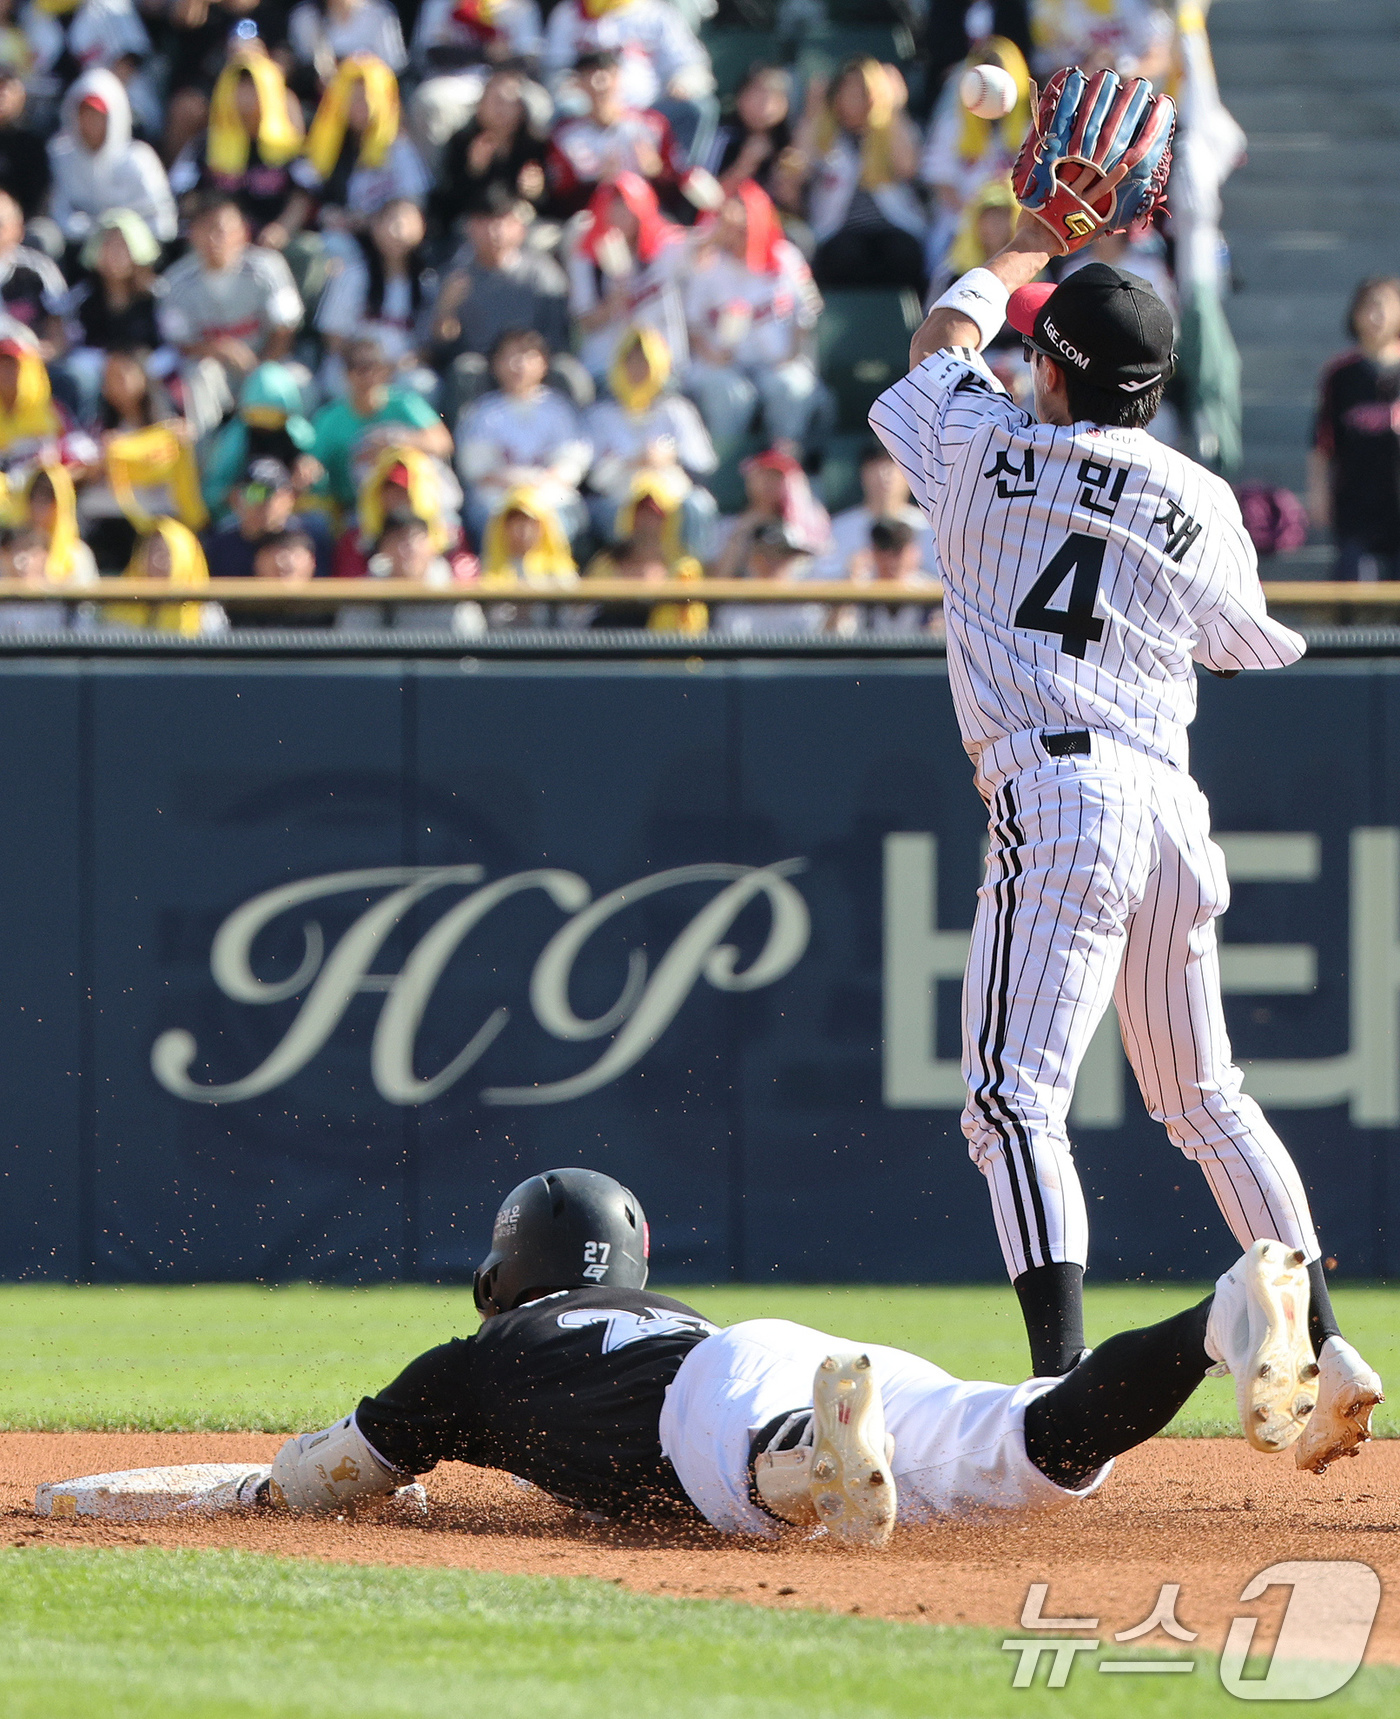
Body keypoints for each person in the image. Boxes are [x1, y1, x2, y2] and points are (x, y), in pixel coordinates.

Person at [869, 182, 1383, 1472]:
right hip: (1166, 803)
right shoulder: (1202, 498)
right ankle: (1325, 1347)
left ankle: (1061, 1404)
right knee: (1205, 1097)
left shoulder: (974, 443)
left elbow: (937, 348)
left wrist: (1019, 250)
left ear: (1046, 367)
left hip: (1055, 791)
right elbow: (1239, 647)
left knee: (1009, 1098)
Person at [252, 1171, 1339, 1541]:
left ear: (507, 1275)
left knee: (750, 1481)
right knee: (1031, 1445)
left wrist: (255, 1492)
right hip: (767, 1349)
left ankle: (813, 1454)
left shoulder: (466, 1368)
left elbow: (325, 1477)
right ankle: (1216, 1319)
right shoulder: (656, 1309)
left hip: (721, 1408)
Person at [682, 181, 825, 450]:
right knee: (726, 394)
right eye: (733, 227)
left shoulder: (785, 257)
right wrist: (711, 355)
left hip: (775, 362)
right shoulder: (708, 262)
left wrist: (792, 352)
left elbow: (808, 309)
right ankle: (725, 466)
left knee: (791, 386)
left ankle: (783, 460)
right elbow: (692, 324)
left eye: (745, 226)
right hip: (724, 364)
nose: (739, 233)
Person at [158, 194, 304, 436]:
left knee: (295, 384)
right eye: (206, 229)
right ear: (192, 234)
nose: (216, 238)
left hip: (268, 361)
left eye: (223, 229)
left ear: (241, 232)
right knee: (199, 376)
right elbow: (180, 343)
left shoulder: (267, 266)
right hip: (217, 370)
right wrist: (218, 348)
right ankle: (208, 467)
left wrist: (257, 371)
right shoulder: (176, 282)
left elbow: (285, 328)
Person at [430, 187, 572, 403]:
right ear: (469, 227)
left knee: (567, 372)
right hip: (483, 367)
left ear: (520, 228)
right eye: (483, 221)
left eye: (502, 220)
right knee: (465, 371)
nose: (493, 230)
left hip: (532, 364)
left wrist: (525, 361)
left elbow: (556, 336)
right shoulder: (455, 277)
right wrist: (446, 309)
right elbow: (439, 348)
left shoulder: (543, 273)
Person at [795, 59, 925, 294]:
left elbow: (908, 168)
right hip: (839, 231)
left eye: (863, 91)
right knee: (845, 254)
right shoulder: (825, 131)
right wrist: (812, 112)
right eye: (847, 90)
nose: (854, 98)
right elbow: (797, 168)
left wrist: (894, 109)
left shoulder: (892, 128)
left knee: (901, 253)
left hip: (893, 226)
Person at [584, 324, 716, 557]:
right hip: (619, 494)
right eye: (630, 361)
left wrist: (671, 456)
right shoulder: (600, 415)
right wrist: (634, 461)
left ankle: (692, 580)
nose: (637, 369)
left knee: (699, 505)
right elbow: (592, 477)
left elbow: (702, 463)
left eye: (644, 362)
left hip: (670, 493)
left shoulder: (677, 410)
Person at [455, 325, 591, 547]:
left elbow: (572, 462)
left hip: (550, 495)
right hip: (498, 498)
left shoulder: (560, 410)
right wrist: (518, 486)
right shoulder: (482, 412)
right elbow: (476, 470)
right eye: (510, 357)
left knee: (563, 517)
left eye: (528, 356)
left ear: (544, 363)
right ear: (495, 364)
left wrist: (537, 484)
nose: (519, 365)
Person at [1309, 276, 1400, 582]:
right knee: (1352, 584)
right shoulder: (1341, 374)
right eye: (1368, 307)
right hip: (1356, 504)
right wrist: (1319, 492)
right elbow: (1322, 441)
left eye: (1384, 306)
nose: (1376, 316)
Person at [172, 44, 308, 246]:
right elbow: (181, 193)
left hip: (271, 242)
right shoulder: (205, 144)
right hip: (216, 243)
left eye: (254, 86)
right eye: (239, 86)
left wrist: (282, 228)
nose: (246, 95)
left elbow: (304, 196)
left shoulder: (290, 146)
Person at [290, 54, 431, 248]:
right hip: (340, 240)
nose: (360, 107)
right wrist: (329, 215)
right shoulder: (329, 146)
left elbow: (414, 203)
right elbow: (309, 192)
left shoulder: (398, 146)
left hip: (385, 240)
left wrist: (369, 221)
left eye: (367, 99)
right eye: (352, 99)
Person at [566, 172, 688, 381]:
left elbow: (703, 245)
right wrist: (617, 294)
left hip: (661, 366)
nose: (620, 213)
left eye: (628, 206)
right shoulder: (585, 256)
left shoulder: (666, 247)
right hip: (604, 365)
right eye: (613, 204)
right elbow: (586, 321)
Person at [311, 334, 453, 514]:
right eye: (359, 369)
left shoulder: (405, 404)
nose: (368, 377)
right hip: (354, 509)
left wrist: (395, 443)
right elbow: (313, 461)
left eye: (373, 368)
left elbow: (443, 443)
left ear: (384, 372)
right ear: (347, 375)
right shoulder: (330, 418)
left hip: (412, 503)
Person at [314, 197, 437, 394]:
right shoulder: (353, 274)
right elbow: (333, 336)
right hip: (354, 366)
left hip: (401, 371)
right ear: (375, 226)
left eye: (409, 223)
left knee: (423, 385)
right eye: (393, 222)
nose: (400, 231)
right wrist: (365, 363)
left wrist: (404, 363)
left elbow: (427, 345)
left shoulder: (427, 282)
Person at [545, 51, 686, 221]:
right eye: (590, 76)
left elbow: (677, 192)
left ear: (618, 77)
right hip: (592, 219)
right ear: (578, 85)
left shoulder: (651, 125)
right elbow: (560, 201)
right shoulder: (565, 136)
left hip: (648, 216)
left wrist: (656, 173)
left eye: (606, 74)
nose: (599, 84)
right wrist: (598, 185)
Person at [47, 68, 177, 250]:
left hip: (135, 254)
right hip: (81, 249)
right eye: (84, 113)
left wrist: (123, 236)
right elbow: (60, 215)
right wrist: (97, 233)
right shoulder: (62, 156)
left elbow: (164, 223)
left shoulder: (139, 160)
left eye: (99, 115)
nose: (91, 122)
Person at [429, 68, 549, 239]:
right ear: (480, 106)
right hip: (474, 221)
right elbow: (447, 200)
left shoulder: (533, 144)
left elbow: (549, 202)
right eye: (495, 102)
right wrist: (473, 171)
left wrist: (536, 191)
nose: (501, 110)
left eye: (510, 103)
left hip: (520, 221)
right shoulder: (463, 140)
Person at [811, 441, 935, 580]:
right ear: (863, 472)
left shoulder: (930, 528)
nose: (885, 474)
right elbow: (816, 583)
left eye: (893, 465)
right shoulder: (837, 530)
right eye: (876, 465)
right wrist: (848, 576)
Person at [709, 447, 831, 579]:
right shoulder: (726, 526)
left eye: (777, 477)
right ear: (750, 479)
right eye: (763, 475)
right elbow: (717, 581)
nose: (769, 483)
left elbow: (821, 571)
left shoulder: (805, 523)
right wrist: (742, 533)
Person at [203, 457, 334, 578]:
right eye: (253, 493)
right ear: (236, 499)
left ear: (289, 497)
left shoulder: (311, 538)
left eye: (270, 493)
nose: (261, 503)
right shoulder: (220, 546)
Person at [828, 516, 941, 637]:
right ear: (872, 552)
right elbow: (829, 638)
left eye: (898, 549)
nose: (890, 559)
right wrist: (845, 594)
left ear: (914, 553)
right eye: (883, 548)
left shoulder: (934, 593)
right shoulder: (860, 590)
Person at [703, 63, 793, 202]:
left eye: (776, 100)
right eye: (758, 98)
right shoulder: (721, 136)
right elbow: (705, 197)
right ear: (741, 97)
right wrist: (745, 164)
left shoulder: (786, 141)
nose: (766, 108)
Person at [0, 190, 67, 357]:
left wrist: (40, 352)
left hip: (27, 365)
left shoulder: (38, 270)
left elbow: (59, 333)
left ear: (18, 228)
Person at [287, 0, 408, 89]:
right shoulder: (304, 17)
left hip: (374, 96)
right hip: (324, 104)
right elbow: (304, 71)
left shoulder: (380, 14)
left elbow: (394, 69)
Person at [0, 68, 51, 222]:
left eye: (6, 88)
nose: (2, 95)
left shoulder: (33, 142)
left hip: (22, 227)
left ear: (21, 95)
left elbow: (38, 197)